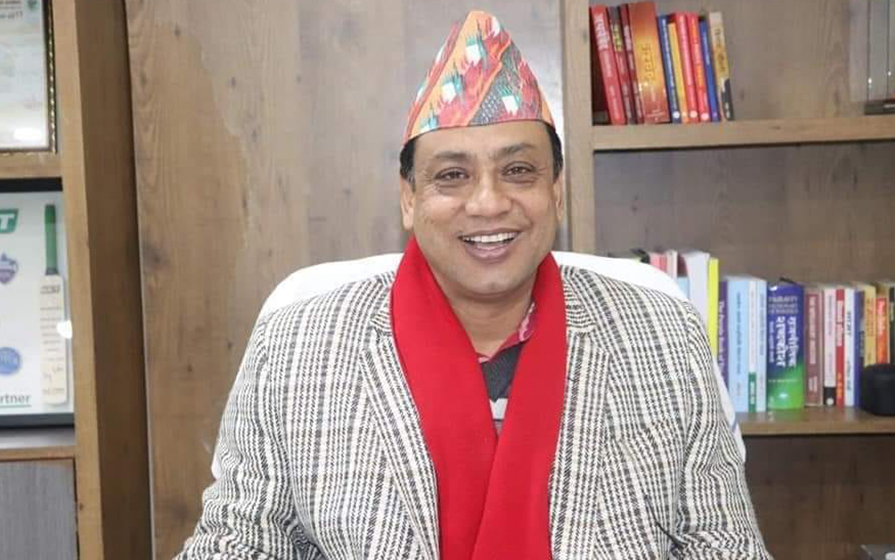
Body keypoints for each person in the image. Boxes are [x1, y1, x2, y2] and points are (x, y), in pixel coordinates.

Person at [176, 10, 769, 559]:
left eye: (518, 171)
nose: (488, 203)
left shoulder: (663, 336)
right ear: (409, 199)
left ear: (556, 192)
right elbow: (237, 544)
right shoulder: (297, 346)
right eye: (452, 175)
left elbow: (725, 546)